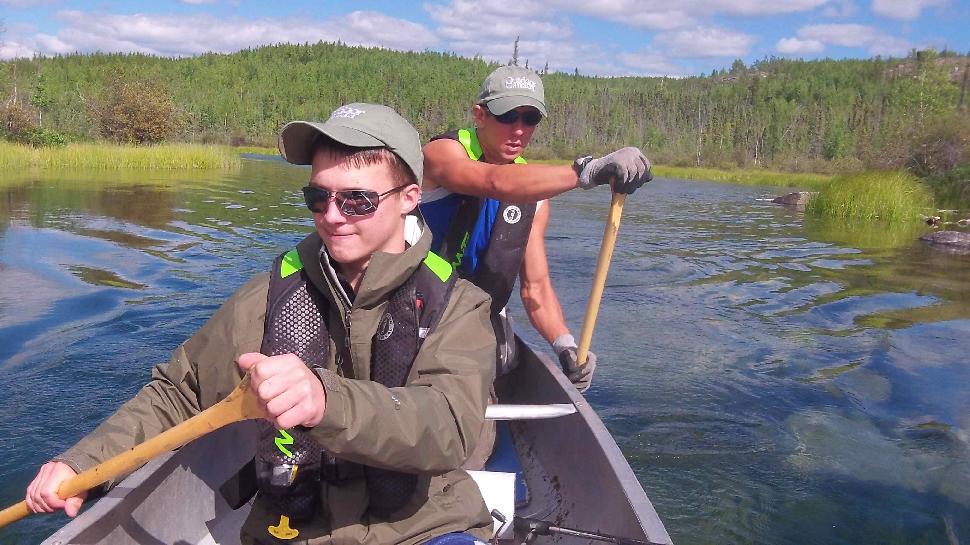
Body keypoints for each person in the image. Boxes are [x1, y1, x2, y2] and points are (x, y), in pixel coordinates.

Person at [25, 103, 497, 545]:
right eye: (318, 196)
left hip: (419, 527)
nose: (332, 217)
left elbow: (449, 427)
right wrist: (82, 462)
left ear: (409, 198)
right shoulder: (270, 295)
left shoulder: (457, 306)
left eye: (357, 200)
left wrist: (325, 401)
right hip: (292, 529)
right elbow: (178, 392)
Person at [421, 65, 653, 393]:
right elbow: (494, 180)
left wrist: (566, 345)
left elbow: (536, 288)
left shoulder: (535, 196)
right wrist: (588, 171)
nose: (519, 130)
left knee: (498, 364)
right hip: (417, 312)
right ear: (480, 116)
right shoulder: (443, 153)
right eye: (507, 116)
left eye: (530, 119)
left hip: (474, 318)